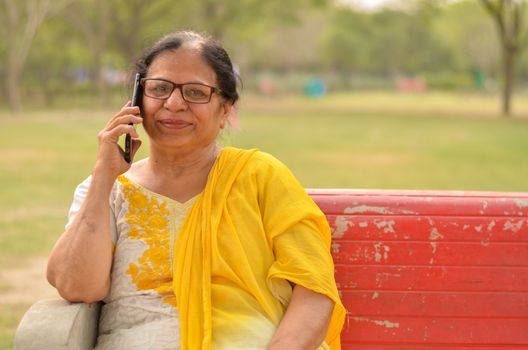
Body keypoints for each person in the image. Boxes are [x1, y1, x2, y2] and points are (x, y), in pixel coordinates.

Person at [47, 31, 345, 350]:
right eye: (159, 89)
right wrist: (102, 176)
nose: (174, 104)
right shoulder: (109, 189)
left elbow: (314, 291)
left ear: (225, 109)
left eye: (195, 92)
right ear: (136, 101)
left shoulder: (260, 177)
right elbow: (77, 286)